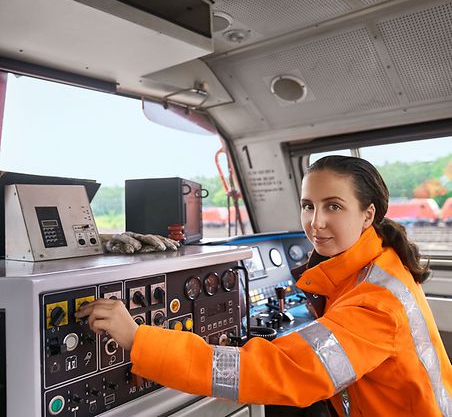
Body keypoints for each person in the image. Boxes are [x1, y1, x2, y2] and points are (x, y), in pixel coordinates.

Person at [76, 155, 452, 416]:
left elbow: (277, 371)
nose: (316, 222)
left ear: (368, 214)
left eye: (334, 206)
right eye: (308, 205)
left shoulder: (376, 301)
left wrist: (139, 339)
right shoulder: (371, 265)